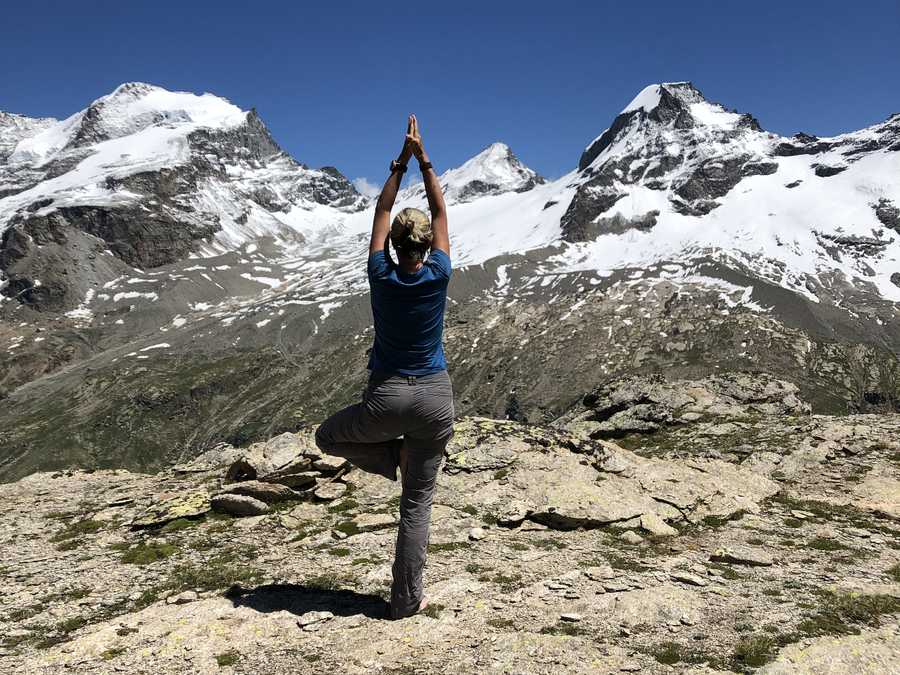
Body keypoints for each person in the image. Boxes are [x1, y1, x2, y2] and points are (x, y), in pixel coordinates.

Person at [315, 114, 453, 619]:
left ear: (395, 246)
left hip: (386, 398)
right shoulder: (439, 273)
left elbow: (382, 207)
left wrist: (398, 164)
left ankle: (389, 460)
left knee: (327, 437)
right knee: (417, 508)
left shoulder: (380, 273)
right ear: (424, 246)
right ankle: (404, 602)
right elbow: (439, 209)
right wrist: (425, 159)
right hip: (436, 402)